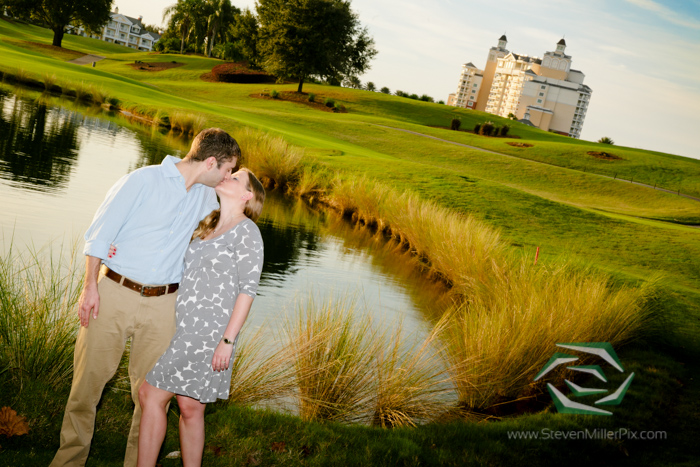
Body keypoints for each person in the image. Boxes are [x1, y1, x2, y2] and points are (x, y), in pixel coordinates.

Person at [51, 128, 242, 467]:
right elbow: (99, 234)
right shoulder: (142, 180)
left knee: (151, 398)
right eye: (228, 169)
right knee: (86, 387)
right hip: (112, 293)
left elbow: (223, 240)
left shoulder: (206, 199)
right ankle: (68, 461)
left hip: (165, 305)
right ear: (211, 162)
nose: (229, 177)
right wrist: (89, 287)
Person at [137, 168, 265, 467]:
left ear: (247, 195)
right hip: (187, 327)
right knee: (190, 408)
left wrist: (227, 341)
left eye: (236, 178)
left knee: (150, 394)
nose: (227, 176)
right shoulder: (208, 224)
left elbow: (247, 291)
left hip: (209, 333)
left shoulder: (247, 232)